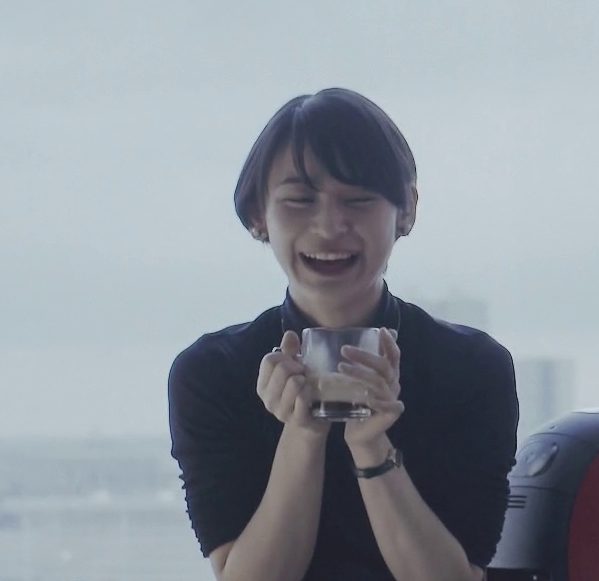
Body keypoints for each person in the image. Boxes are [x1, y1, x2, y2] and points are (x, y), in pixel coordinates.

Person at [167, 88, 520, 581]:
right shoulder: (213, 373)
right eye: (299, 200)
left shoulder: (472, 368)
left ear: (406, 210)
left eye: (358, 199)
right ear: (257, 214)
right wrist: (302, 434)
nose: (329, 225)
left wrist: (371, 445)